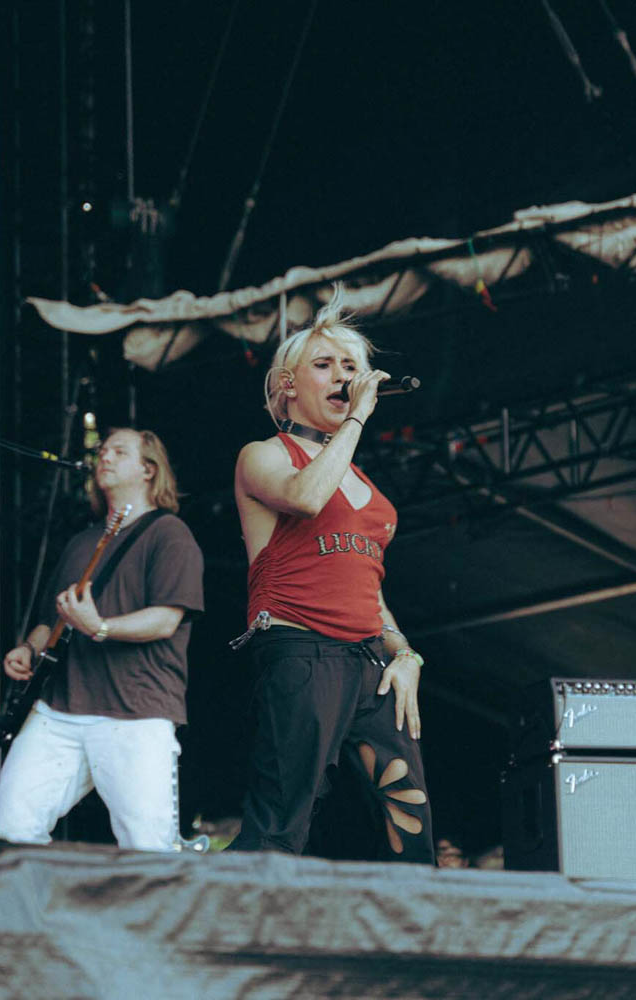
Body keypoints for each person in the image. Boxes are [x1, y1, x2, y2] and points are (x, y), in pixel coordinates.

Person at [227, 288, 434, 863]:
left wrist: (405, 654)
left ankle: (415, 914)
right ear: (288, 385)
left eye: (351, 366)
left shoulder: (365, 483)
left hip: (370, 661)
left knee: (408, 815)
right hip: (301, 651)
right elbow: (306, 498)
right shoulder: (266, 455)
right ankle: (236, 911)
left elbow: (368, 585)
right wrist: (359, 415)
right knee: (281, 822)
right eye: (324, 365)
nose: (343, 377)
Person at [0, 428, 204, 850]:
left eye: (119, 451)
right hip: (59, 710)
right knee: (13, 828)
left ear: (148, 470)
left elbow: (166, 619)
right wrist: (29, 649)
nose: (104, 457)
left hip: (137, 713)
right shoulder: (82, 541)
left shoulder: (170, 534)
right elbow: (50, 621)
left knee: (147, 847)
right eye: (102, 451)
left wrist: (100, 626)